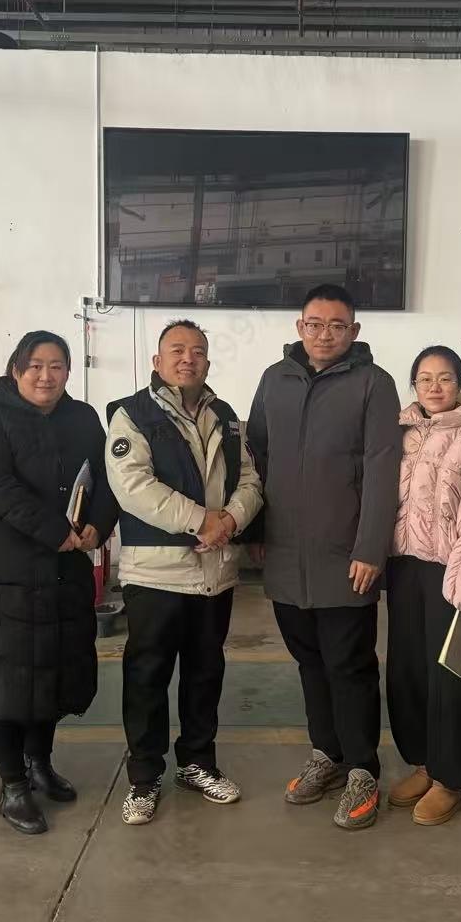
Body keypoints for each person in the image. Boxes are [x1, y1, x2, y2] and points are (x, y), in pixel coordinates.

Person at [0, 331, 118, 836]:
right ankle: (12, 784)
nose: (46, 376)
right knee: (2, 680)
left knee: (51, 672)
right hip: (6, 572)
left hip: (65, 569)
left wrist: (98, 526)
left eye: (56, 366)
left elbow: (108, 479)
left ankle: (39, 762)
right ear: (16, 369)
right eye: (35, 366)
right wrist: (53, 531)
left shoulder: (82, 418)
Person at [247, 283, 401, 831]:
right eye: (315, 324)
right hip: (286, 554)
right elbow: (255, 458)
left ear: (353, 331)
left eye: (337, 326)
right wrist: (256, 532)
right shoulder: (275, 380)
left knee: (349, 665)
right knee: (309, 663)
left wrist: (370, 547)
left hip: (346, 556)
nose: (325, 335)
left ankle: (362, 769)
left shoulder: (374, 384)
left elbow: (383, 468)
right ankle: (327, 755)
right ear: (300, 327)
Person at [105, 320, 263, 826]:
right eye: (176, 350)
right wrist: (201, 520)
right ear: (157, 361)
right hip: (156, 574)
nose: (187, 358)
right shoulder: (133, 414)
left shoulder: (226, 417)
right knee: (147, 676)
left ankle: (197, 763)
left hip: (214, 573)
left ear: (208, 363)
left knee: (205, 672)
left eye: (197, 351)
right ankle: (144, 777)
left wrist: (231, 520)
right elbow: (132, 485)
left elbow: (251, 479)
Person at [385, 345, 461, 827]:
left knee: (452, 673)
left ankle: (451, 779)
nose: (435, 387)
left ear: (460, 384)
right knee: (409, 670)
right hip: (404, 568)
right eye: (425, 378)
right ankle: (424, 763)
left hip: (451, 573)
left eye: (445, 378)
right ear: (414, 385)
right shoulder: (401, 434)